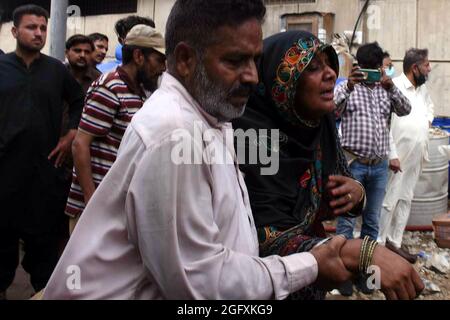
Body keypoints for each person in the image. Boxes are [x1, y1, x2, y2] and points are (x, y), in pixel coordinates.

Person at [43, 0, 359, 300]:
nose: (251, 76)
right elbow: (199, 287)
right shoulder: (174, 133)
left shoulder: (215, 115)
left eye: (255, 60)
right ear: (184, 59)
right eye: (235, 60)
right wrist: (311, 264)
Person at [233, 31, 424, 300]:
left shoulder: (317, 124)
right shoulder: (252, 139)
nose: (331, 74)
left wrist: (356, 193)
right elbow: (264, 240)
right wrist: (355, 252)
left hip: (312, 281)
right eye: (312, 67)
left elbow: (340, 189)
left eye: (329, 64)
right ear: (281, 84)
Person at [0, 5, 84, 299]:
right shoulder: (2, 68)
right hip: (5, 177)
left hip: (43, 176)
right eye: (31, 27)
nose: (38, 33)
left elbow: (78, 100)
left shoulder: (55, 70)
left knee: (43, 253)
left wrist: (72, 133)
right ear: (14, 32)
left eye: (43, 28)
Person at [65, 25, 167, 234]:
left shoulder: (143, 91)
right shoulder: (109, 87)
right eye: (159, 60)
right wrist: (92, 202)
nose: (163, 67)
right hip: (96, 207)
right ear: (139, 56)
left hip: (118, 205)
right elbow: (80, 145)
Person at [334, 42, 412, 294]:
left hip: (378, 167)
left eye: (378, 69)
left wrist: (391, 86)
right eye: (369, 69)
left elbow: (405, 109)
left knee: (371, 224)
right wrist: (348, 85)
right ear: (360, 66)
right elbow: (331, 109)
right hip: (353, 164)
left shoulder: (386, 89)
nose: (374, 74)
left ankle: (367, 278)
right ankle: (341, 277)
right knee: (346, 223)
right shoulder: (349, 87)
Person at [379, 48, 434, 263]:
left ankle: (395, 242)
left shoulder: (423, 89)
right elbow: (384, 124)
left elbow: (430, 108)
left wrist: (426, 121)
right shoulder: (394, 86)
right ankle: (380, 244)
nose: (429, 68)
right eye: (427, 65)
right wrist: (391, 154)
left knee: (406, 198)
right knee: (388, 199)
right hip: (397, 155)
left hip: (416, 155)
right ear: (415, 67)